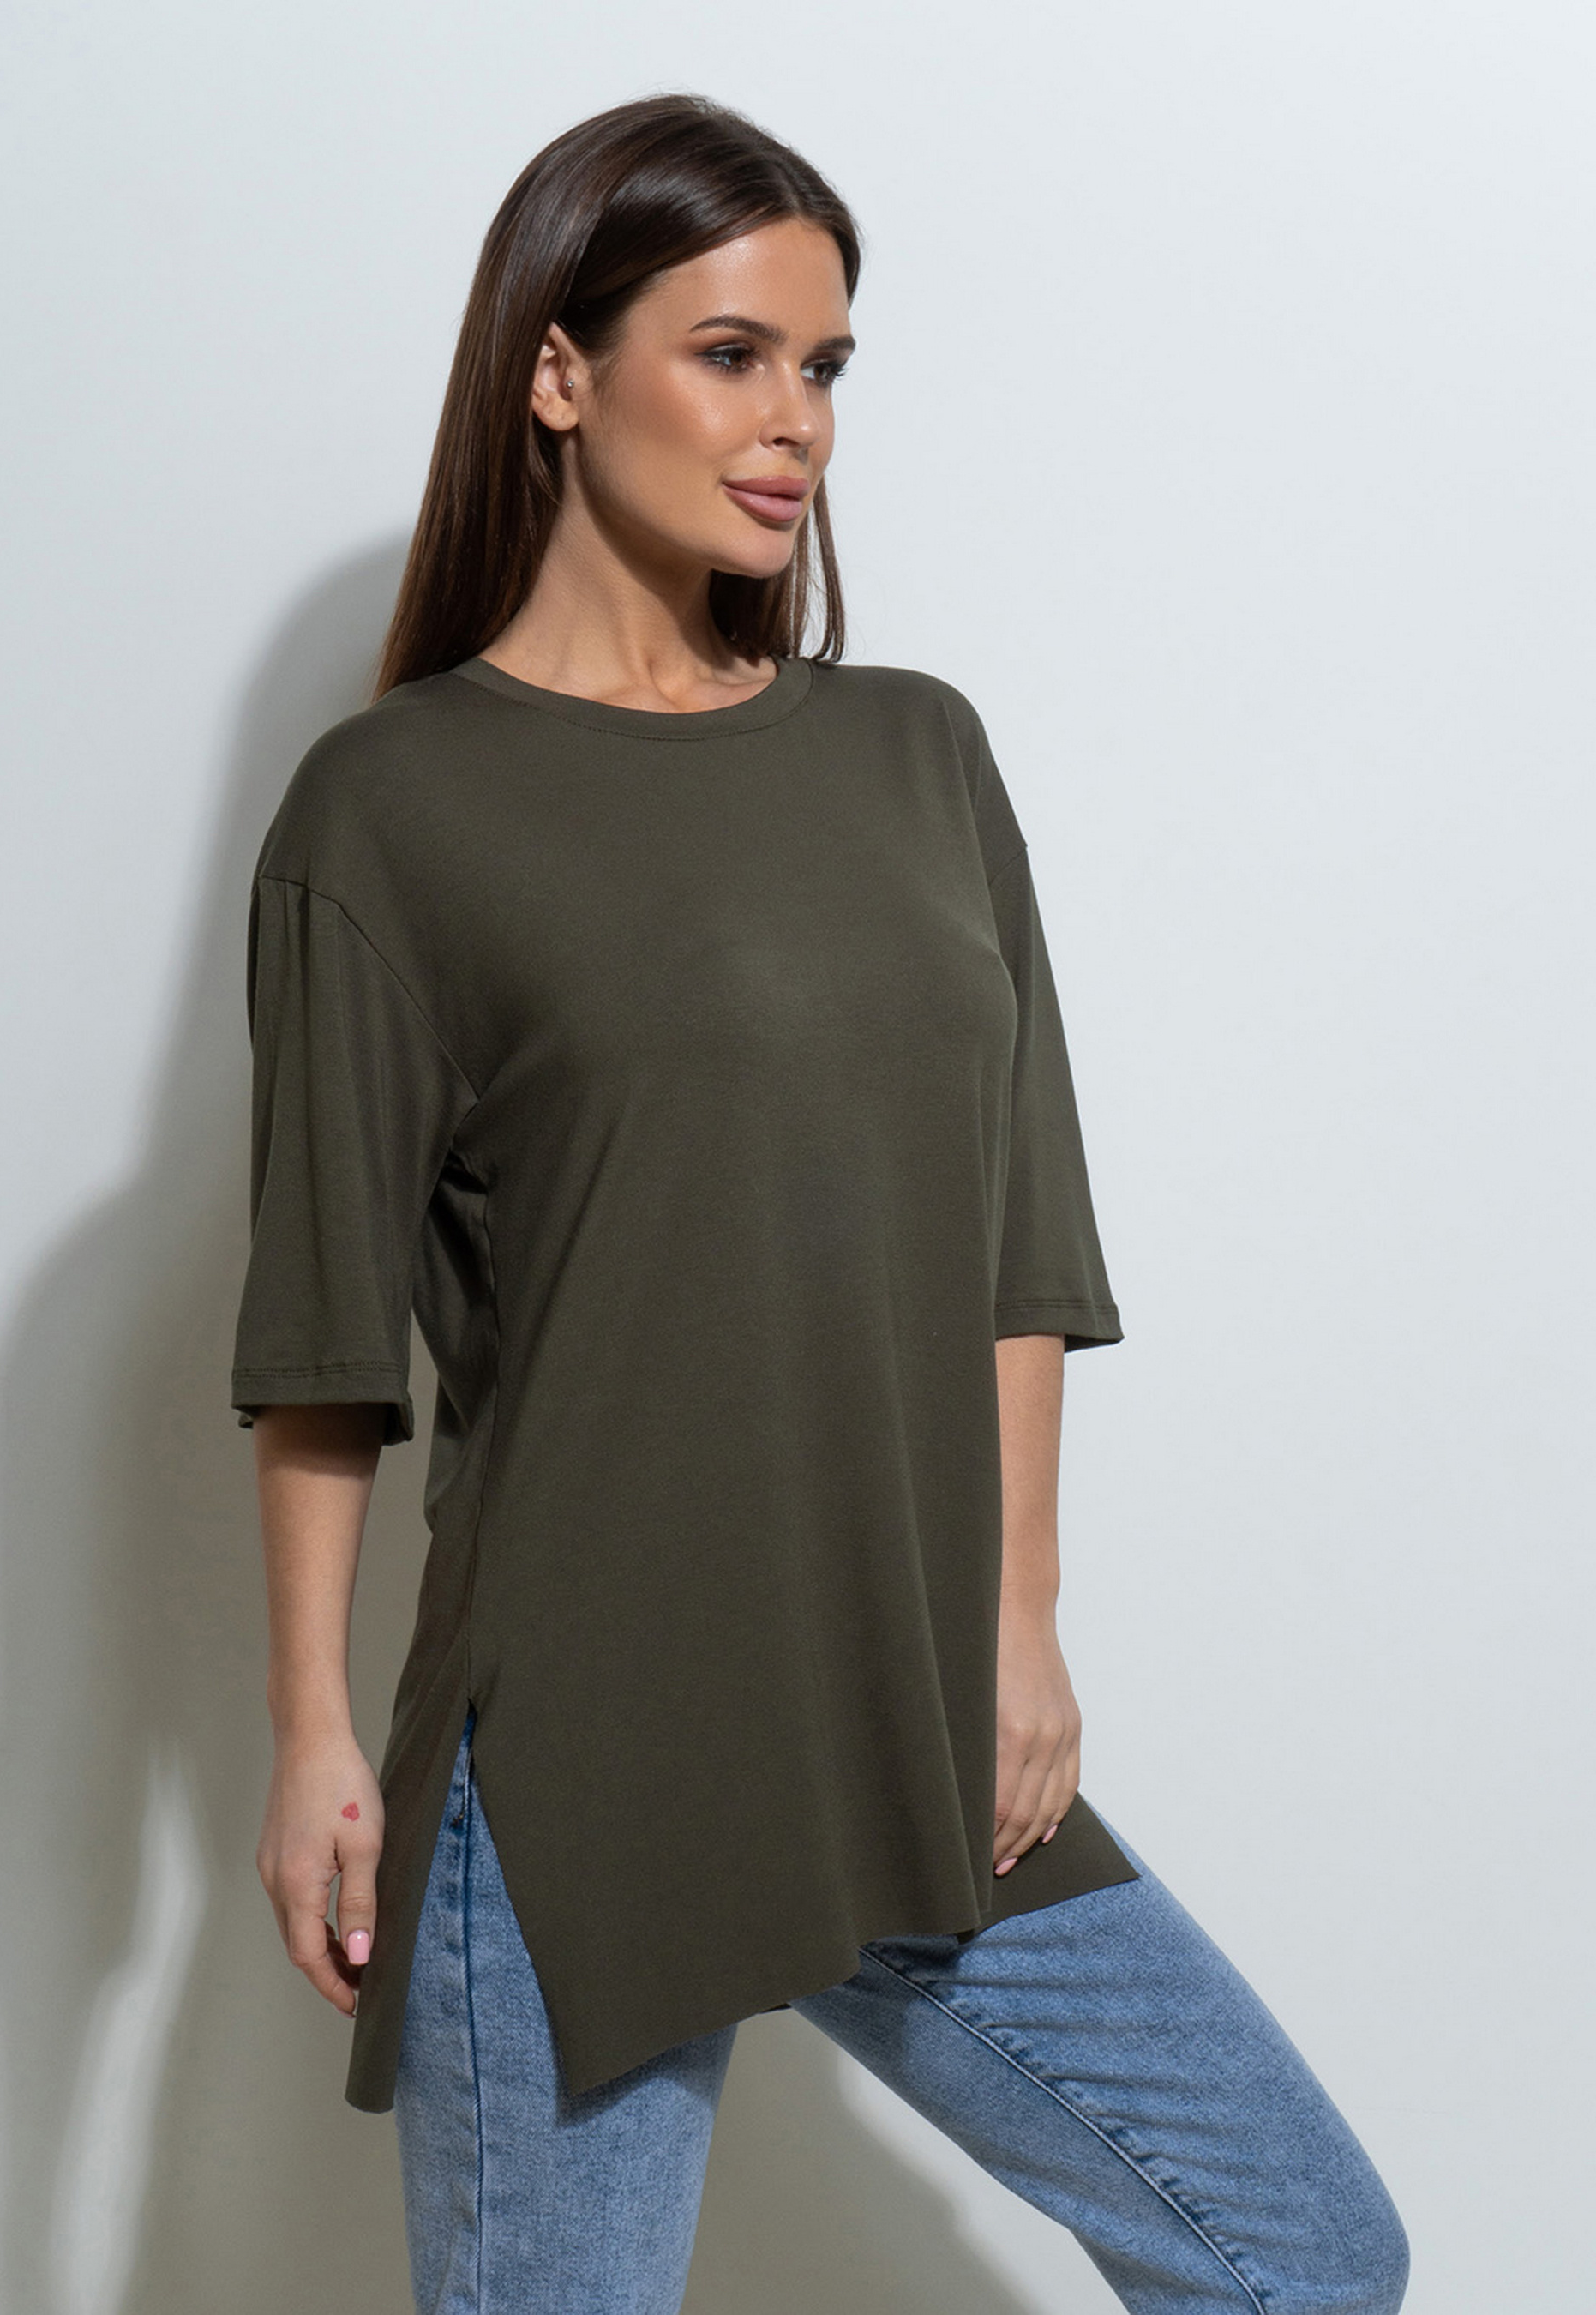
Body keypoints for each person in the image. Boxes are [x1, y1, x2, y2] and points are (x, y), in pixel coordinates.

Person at [230, 92, 1410, 2315]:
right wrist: (310, 1732)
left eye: (826, 365)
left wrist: (1019, 1615)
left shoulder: (914, 754)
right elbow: (319, 1340)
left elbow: (1019, 1230)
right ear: (556, 371)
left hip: (900, 1698)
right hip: (575, 1750)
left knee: (1299, 2249)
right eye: (731, 353)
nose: (798, 424)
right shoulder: (395, 806)